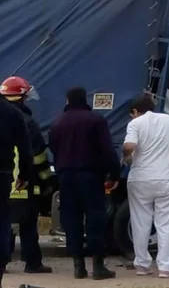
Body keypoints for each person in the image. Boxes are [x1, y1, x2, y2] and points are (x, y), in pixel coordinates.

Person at [48, 87, 120, 280]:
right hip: (90, 176)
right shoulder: (96, 120)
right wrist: (114, 175)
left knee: (71, 220)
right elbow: (107, 150)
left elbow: (54, 149)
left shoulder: (57, 123)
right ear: (84, 99)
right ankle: (98, 267)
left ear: (67, 101)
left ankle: (78, 266)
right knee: (95, 218)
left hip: (65, 177)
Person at [122, 95, 169, 278]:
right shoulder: (168, 120)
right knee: (167, 224)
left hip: (141, 179)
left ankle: (142, 265)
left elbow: (129, 145)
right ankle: (165, 268)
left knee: (140, 222)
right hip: (168, 180)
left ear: (134, 111)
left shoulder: (136, 123)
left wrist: (127, 156)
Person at [0, 77, 54, 274]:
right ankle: (32, 263)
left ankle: (3, 263)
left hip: (7, 181)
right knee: (28, 225)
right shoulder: (24, 121)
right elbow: (36, 156)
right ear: (20, 97)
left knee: (5, 223)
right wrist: (48, 180)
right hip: (20, 184)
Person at [0, 90, 33, 288]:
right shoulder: (12, 113)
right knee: (2, 220)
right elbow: (25, 150)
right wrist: (24, 176)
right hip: (2, 175)